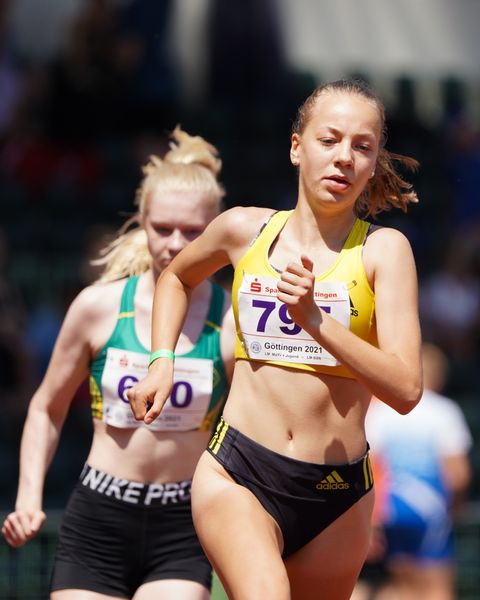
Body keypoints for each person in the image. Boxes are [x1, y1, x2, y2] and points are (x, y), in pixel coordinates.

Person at [128, 79, 423, 600]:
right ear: (295, 147)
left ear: (375, 163)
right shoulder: (243, 230)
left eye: (362, 147)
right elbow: (175, 277)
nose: (344, 159)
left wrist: (318, 321)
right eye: (328, 140)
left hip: (338, 494)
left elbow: (405, 390)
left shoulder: (385, 252)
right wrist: (161, 359)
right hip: (240, 472)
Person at [2, 127, 235, 600]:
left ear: (215, 230)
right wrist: (29, 494)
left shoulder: (230, 317)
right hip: (100, 518)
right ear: (142, 222)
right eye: (162, 228)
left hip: (183, 522)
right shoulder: (99, 307)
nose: (174, 244)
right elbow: (46, 407)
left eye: (192, 232)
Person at [356, 342, 472, 600]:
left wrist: (372, 519)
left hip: (392, 509)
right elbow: (458, 474)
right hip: (430, 508)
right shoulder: (444, 411)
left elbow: (371, 467)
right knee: (437, 589)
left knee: (404, 588)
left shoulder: (381, 412)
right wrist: (454, 509)